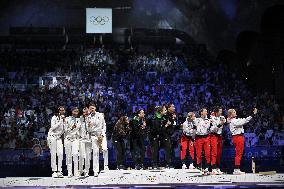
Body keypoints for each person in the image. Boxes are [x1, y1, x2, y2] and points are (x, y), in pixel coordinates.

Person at [227, 108, 258, 175]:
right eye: (234, 112)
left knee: (239, 153)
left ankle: (237, 169)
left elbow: (243, 120)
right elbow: (245, 121)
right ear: (231, 114)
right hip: (237, 137)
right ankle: (236, 170)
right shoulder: (234, 121)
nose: (235, 112)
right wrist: (253, 114)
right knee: (239, 153)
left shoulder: (234, 120)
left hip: (239, 137)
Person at [88, 103, 108, 176]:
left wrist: (102, 134)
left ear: (95, 108)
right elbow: (88, 129)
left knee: (105, 149)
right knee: (95, 153)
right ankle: (95, 171)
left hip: (101, 135)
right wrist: (89, 127)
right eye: (90, 108)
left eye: (93, 108)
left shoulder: (100, 115)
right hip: (93, 136)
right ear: (89, 109)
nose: (92, 110)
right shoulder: (88, 117)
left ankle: (106, 166)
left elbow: (104, 125)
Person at [47, 106, 66, 178]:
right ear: (58, 111)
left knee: (60, 153)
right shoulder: (54, 118)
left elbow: (64, 129)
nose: (62, 111)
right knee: (53, 154)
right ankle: (54, 171)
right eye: (61, 110)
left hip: (59, 138)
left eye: (63, 110)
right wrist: (60, 121)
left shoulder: (64, 119)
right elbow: (52, 127)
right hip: (52, 136)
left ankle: (59, 171)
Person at [65, 107, 81, 177]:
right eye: (74, 111)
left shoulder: (79, 120)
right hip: (68, 139)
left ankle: (76, 172)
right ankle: (69, 172)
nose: (76, 113)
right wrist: (72, 128)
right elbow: (65, 130)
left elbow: (80, 129)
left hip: (75, 139)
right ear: (72, 111)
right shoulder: (67, 119)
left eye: (77, 112)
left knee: (75, 154)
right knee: (68, 156)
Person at [209, 107, 226, 175]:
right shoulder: (211, 119)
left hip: (219, 136)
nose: (221, 112)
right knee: (214, 152)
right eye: (220, 111)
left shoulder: (222, 117)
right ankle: (213, 168)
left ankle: (218, 168)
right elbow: (212, 129)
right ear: (216, 112)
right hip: (213, 136)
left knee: (219, 153)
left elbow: (226, 120)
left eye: (221, 111)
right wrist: (220, 124)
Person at [195, 108, 211, 175]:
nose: (206, 112)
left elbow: (209, 128)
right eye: (205, 111)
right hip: (199, 137)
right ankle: (199, 168)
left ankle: (207, 168)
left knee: (207, 153)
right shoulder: (197, 120)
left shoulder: (208, 120)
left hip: (206, 137)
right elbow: (195, 127)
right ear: (201, 113)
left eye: (207, 111)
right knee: (199, 153)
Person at [79, 107, 92, 177]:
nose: (85, 114)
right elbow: (78, 128)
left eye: (86, 112)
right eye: (84, 112)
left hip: (89, 139)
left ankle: (86, 171)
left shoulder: (91, 118)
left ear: (89, 112)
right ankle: (80, 170)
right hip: (81, 139)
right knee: (81, 155)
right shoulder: (80, 118)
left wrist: (90, 125)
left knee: (88, 156)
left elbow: (92, 129)